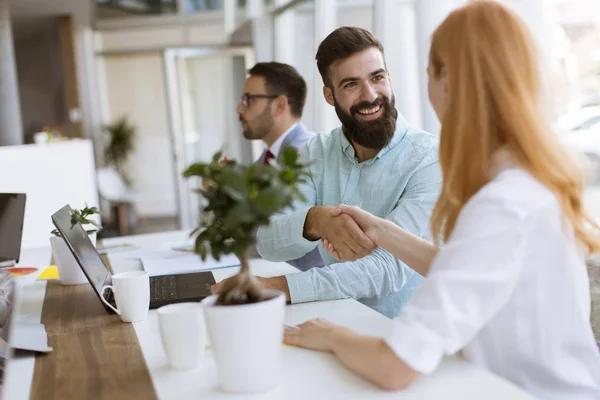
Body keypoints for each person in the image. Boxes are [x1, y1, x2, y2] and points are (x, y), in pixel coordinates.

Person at [282, 2, 600, 398]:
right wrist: (381, 230)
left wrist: (331, 335)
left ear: (451, 82)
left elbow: (394, 365)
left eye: (430, 72)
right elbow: (462, 268)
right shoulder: (523, 182)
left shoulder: (501, 205)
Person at [212, 27, 441, 318]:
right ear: (329, 96)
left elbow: (388, 268)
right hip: (333, 322)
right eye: (350, 85)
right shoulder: (315, 152)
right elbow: (268, 241)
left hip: (405, 336)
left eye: (377, 77)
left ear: (389, 78)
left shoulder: (428, 159)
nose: (370, 95)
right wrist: (314, 220)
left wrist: (277, 287)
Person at [235, 62, 323, 270]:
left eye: (248, 99)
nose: (239, 108)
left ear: (280, 105)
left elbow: (275, 230)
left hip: (304, 281)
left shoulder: (306, 154)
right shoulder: (268, 157)